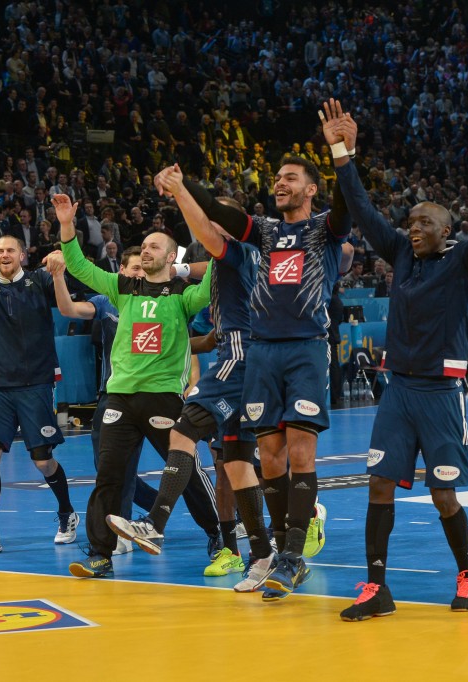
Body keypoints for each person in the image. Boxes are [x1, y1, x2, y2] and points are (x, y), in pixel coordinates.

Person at [327, 101, 468, 620]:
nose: (412, 227)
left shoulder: (464, 261)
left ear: (447, 231)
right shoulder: (399, 253)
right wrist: (342, 152)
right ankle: (377, 588)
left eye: (424, 222)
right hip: (398, 392)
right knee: (378, 483)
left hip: (442, 395)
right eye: (411, 221)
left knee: (444, 494)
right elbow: (363, 209)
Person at [163, 149, 350, 597]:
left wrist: (343, 153)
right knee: (269, 459)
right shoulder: (262, 232)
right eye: (277, 178)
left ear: (311, 188)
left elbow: (349, 205)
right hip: (262, 352)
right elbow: (213, 216)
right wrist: (181, 186)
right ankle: (282, 552)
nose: (280, 183)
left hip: (305, 349)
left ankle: (291, 557)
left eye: (290, 178)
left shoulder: (324, 229)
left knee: (301, 454)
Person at [102, 172, 273, 580]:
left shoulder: (235, 251)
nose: (212, 224)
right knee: (236, 463)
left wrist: (181, 193)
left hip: (241, 360)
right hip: (243, 355)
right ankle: (264, 555)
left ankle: (155, 524)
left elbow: (203, 239)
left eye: (219, 219)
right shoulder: (232, 259)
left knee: (183, 432)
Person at [55, 195, 219, 579]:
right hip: (120, 397)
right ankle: (100, 554)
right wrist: (66, 224)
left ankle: (219, 533)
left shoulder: (182, 294)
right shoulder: (123, 287)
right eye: (142, 246)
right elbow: (78, 265)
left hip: (163, 396)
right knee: (108, 475)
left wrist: (207, 244)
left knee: (186, 470)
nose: (146, 251)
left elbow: (215, 272)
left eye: (154, 246)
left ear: (172, 255)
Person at [0, 222, 79, 557]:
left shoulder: (40, 280)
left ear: (22, 255)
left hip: (36, 383)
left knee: (42, 460)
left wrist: (60, 258)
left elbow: (71, 281)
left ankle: (67, 513)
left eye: (10, 250)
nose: (4, 255)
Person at [47, 245, 157, 556]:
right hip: (113, 395)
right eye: (134, 268)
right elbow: (69, 310)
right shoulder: (106, 301)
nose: (139, 274)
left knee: (180, 465)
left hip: (155, 395)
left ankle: (128, 528)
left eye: (144, 269)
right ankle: (150, 510)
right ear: (121, 271)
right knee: (108, 467)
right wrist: (58, 276)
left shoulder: (160, 300)